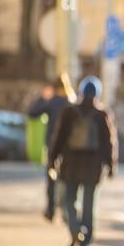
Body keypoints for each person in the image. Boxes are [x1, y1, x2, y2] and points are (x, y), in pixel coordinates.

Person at [49, 76, 118, 246]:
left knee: (68, 202)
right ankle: (86, 243)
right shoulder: (102, 114)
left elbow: (58, 138)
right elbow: (108, 142)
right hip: (92, 168)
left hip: (70, 165)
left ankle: (74, 230)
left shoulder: (69, 112)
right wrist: (111, 166)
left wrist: (52, 160)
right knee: (89, 206)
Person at [28, 77, 70, 221]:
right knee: (66, 179)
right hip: (68, 148)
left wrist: (42, 97)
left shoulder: (53, 101)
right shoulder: (72, 101)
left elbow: (32, 112)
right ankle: (66, 209)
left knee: (51, 177)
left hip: (53, 145)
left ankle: (51, 210)